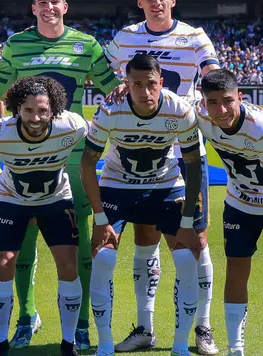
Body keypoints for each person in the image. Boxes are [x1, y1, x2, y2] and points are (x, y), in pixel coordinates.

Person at [0, 0, 120, 349]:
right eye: (42, 1)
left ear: (65, 6)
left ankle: (82, 324)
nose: (49, 6)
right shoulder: (16, 44)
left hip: (72, 158)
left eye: (55, 1)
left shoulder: (86, 45)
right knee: (21, 246)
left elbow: (115, 89)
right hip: (22, 155)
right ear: (34, 7)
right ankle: (26, 317)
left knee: (79, 247)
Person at [102, 0, 221, 355]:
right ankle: (145, 327)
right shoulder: (124, 38)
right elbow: (106, 76)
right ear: (140, 1)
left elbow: (212, 74)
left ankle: (203, 328)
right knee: (144, 238)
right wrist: (117, 86)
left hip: (183, 151)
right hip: (136, 152)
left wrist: (208, 95)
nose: (156, 1)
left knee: (196, 241)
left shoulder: (194, 36)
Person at [81, 55, 205, 356]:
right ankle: (106, 345)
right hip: (118, 184)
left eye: (151, 84)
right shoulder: (111, 109)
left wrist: (187, 223)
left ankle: (179, 346)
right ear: (127, 84)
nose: (145, 91)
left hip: (165, 184)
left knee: (189, 260)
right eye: (137, 84)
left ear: (161, 82)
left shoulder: (179, 109)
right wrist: (100, 218)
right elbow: (87, 163)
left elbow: (192, 165)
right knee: (103, 260)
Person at [195, 70, 263, 356]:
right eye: (213, 102)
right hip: (240, 202)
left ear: (240, 98)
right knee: (235, 269)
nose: (221, 110)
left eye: (228, 101)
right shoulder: (200, 113)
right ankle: (236, 350)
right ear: (203, 102)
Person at [0, 76, 89, 356]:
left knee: (68, 264)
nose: (36, 117)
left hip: (55, 198)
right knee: (4, 263)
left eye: (42, 110)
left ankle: (68, 343)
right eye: (28, 111)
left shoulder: (72, 126)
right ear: (17, 109)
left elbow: (96, 136)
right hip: (11, 199)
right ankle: (0, 343)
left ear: (54, 110)